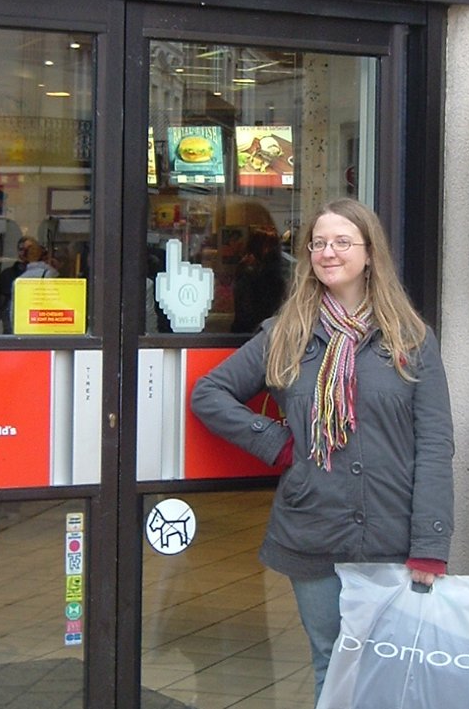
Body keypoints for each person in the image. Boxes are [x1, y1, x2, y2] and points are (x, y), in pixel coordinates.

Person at [192, 198, 454, 705]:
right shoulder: (287, 333)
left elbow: (436, 444)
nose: (328, 253)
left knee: (390, 669)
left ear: (370, 252)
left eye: (341, 242)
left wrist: (431, 545)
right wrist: (279, 444)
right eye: (318, 243)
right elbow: (210, 394)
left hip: (391, 535)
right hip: (314, 528)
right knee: (331, 663)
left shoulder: (411, 339)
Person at [0, 235, 31, 333]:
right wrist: (4, 315)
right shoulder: (7, 275)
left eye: (29, 249)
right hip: (10, 325)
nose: (24, 253)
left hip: (35, 323)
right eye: (21, 249)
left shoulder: (43, 273)